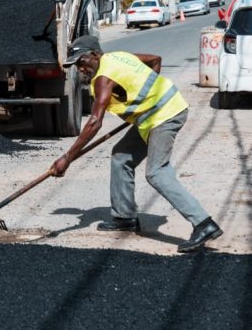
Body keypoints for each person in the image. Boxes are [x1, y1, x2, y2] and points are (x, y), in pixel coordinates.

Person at [50, 35, 223, 253]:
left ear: (95, 55)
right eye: (76, 65)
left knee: (156, 172)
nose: (81, 69)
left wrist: (67, 158)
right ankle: (125, 217)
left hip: (165, 115)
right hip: (151, 116)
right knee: (122, 156)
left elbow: (94, 122)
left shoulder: (103, 77)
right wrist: (146, 101)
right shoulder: (117, 57)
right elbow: (155, 60)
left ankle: (203, 223)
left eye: (82, 62)